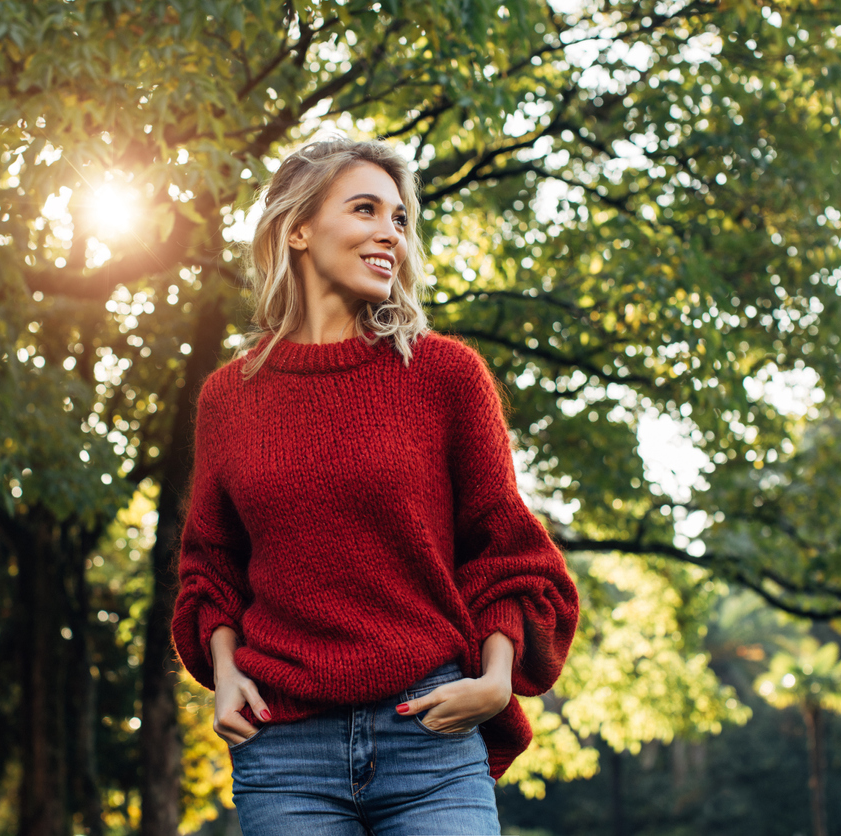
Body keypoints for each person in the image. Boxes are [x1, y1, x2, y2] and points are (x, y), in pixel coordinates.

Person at [171, 137, 580, 836]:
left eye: (399, 219)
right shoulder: (227, 398)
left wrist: (494, 677)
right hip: (284, 748)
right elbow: (211, 564)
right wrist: (224, 669)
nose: (389, 233)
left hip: (429, 730)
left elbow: (505, 547)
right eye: (366, 210)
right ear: (297, 229)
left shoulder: (445, 375)